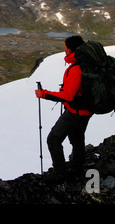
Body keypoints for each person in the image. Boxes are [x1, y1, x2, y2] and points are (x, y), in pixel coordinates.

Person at [35, 35, 92, 180]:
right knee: (77, 140)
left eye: (65, 47)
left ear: (71, 49)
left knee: (53, 139)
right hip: (86, 111)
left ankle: (61, 174)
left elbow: (68, 96)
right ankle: (77, 170)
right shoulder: (86, 63)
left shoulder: (76, 68)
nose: (64, 50)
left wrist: (44, 94)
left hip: (74, 112)